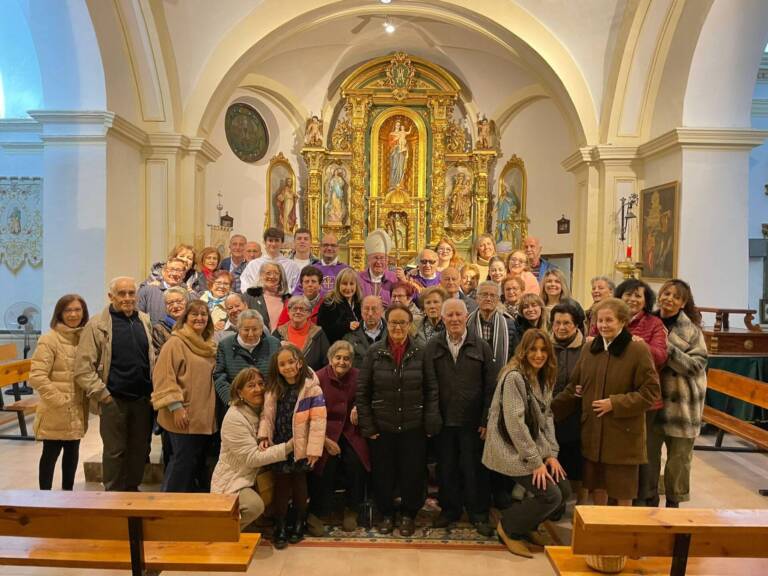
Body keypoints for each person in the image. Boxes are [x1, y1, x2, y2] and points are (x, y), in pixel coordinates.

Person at [552, 298, 660, 507]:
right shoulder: (590, 349)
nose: (603, 325)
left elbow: (650, 392)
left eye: (609, 320)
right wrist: (547, 410)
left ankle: (620, 535)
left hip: (623, 434)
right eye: (600, 320)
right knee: (597, 486)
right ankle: (599, 528)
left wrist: (615, 403)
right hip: (593, 433)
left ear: (622, 321)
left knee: (623, 489)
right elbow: (574, 386)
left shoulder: (637, 350)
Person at [483, 329, 571, 558]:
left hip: (533, 444)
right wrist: (535, 462)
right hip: (509, 448)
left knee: (563, 489)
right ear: (523, 350)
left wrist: (551, 453)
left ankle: (528, 526)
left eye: (543, 350)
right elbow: (515, 424)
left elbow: (547, 416)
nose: (538, 355)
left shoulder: (544, 375)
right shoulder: (514, 376)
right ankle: (509, 528)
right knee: (550, 495)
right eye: (533, 349)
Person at [356, 304, 441, 537]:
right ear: (387, 323)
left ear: (409, 325)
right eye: (393, 322)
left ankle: (408, 514)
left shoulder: (422, 351)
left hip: (414, 425)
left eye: (402, 322)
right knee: (383, 473)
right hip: (382, 426)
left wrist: (429, 422)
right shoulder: (374, 352)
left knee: (412, 472)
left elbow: (432, 389)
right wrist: (368, 426)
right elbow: (363, 392)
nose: (397, 327)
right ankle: (386, 513)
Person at [74, 277, 155, 492]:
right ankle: (113, 495)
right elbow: (83, 368)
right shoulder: (97, 324)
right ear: (111, 297)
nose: (127, 298)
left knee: (139, 449)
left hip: (142, 399)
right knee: (115, 451)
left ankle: (132, 491)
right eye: (122, 294)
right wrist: (104, 396)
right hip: (114, 399)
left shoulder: (144, 320)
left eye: (131, 293)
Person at [426, 299, 496, 536]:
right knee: (447, 468)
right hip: (444, 421)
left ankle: (478, 513)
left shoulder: (481, 346)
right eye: (450, 315)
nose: (454, 319)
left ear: (467, 317)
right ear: (443, 318)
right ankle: (450, 510)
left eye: (459, 315)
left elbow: (490, 387)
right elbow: (430, 384)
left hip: (473, 422)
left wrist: (486, 419)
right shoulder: (433, 346)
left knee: (474, 468)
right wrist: (432, 415)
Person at [258, 345, 327, 549]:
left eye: (291, 362)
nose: (287, 367)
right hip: (280, 443)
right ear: (277, 367)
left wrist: (314, 448)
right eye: (282, 364)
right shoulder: (273, 388)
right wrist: (264, 435)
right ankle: (280, 524)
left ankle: (298, 522)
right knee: (281, 484)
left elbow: (318, 420)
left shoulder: (311, 387)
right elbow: (267, 415)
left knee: (299, 483)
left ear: (299, 362)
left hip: (302, 445)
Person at [211, 367, 294, 529]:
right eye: (251, 385)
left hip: (254, 476)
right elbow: (252, 458)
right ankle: (221, 531)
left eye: (261, 384)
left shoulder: (262, 410)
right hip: (234, 480)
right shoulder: (235, 417)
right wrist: (288, 447)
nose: (258, 389)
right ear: (239, 392)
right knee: (254, 506)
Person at [649, 279, 707, 508]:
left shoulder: (692, 331)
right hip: (653, 402)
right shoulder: (649, 322)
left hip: (682, 407)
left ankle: (674, 504)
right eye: (666, 293)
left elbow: (695, 366)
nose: (669, 299)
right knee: (649, 458)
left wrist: (666, 346)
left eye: (676, 297)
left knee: (679, 461)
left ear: (683, 303)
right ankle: (649, 499)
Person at [152, 300, 217, 492]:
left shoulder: (209, 345)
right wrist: (176, 407)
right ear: (185, 318)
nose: (199, 318)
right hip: (183, 415)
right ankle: (167, 509)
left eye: (203, 314)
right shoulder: (175, 343)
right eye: (194, 314)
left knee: (194, 466)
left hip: (203, 417)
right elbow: (163, 377)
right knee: (181, 464)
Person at [613, 278, 668, 506]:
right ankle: (618, 495)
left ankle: (644, 499)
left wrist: (638, 345)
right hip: (615, 395)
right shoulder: (612, 317)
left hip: (645, 400)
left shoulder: (654, 323)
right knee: (618, 450)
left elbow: (661, 356)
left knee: (642, 452)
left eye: (638, 295)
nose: (632, 299)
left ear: (646, 301)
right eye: (628, 294)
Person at [308, 341, 370, 534]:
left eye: (346, 358)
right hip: (324, 431)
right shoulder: (317, 378)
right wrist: (324, 440)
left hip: (350, 430)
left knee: (356, 461)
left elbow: (367, 396)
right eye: (338, 357)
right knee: (325, 462)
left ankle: (352, 509)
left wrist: (358, 406)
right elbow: (309, 412)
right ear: (330, 359)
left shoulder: (358, 376)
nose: (342, 362)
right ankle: (317, 511)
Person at [30, 294, 90, 490]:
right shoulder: (49, 339)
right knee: (50, 454)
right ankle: (44, 497)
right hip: (56, 410)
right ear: (60, 313)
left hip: (77, 409)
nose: (73, 314)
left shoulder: (84, 338)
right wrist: (61, 400)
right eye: (68, 310)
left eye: (77, 310)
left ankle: (68, 495)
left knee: (72, 452)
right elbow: (37, 376)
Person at [550, 302, 587, 505]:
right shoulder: (544, 346)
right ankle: (556, 503)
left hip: (576, 417)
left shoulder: (587, 348)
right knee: (554, 461)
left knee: (576, 466)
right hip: (549, 416)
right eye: (557, 323)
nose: (561, 327)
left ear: (576, 326)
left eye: (567, 323)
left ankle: (579, 506)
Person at [214, 309, 281, 406]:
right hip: (237, 405)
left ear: (261, 329)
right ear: (238, 328)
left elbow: (280, 375)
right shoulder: (225, 345)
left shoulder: (274, 344)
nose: (250, 334)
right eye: (246, 329)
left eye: (255, 329)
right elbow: (219, 376)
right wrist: (231, 400)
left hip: (269, 404)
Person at [467, 281, 519, 375]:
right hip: (472, 378)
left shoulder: (509, 324)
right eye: (484, 295)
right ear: (477, 298)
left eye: (492, 295)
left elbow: (515, 355)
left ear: (498, 299)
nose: (488, 298)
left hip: (501, 377)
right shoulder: (466, 323)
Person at [273, 295, 330, 371]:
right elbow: (271, 359)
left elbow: (326, 363)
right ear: (288, 312)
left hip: (311, 379)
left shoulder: (318, 333)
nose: (298, 312)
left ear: (309, 313)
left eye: (302, 309)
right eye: (294, 309)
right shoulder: (278, 333)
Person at [240, 227, 301, 293]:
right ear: (264, 242)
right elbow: (245, 286)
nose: (273, 244)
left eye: (277, 240)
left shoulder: (292, 266)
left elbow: (296, 289)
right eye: (270, 240)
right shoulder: (253, 264)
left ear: (282, 243)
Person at [317, 267, 363, 344]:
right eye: (344, 284)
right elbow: (323, 329)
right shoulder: (329, 303)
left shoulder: (360, 302)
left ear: (356, 285)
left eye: (351, 284)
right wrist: (347, 326)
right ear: (338, 285)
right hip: (335, 347)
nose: (348, 288)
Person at [243, 262, 291, 333]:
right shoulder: (250, 296)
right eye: (268, 273)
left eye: (276, 273)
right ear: (261, 275)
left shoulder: (288, 299)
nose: (272, 276)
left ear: (281, 276)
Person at [137, 258, 187, 324]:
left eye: (178, 270)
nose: (174, 273)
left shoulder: (190, 296)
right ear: (163, 272)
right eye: (171, 270)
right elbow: (138, 318)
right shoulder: (147, 291)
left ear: (184, 275)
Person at [343, 295, 387, 369]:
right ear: (361, 310)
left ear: (382, 310)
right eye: (366, 309)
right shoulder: (349, 336)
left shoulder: (394, 333)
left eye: (374, 309)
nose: (370, 313)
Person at [358, 229, 398, 305]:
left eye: (382, 258)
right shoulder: (359, 278)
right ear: (369, 259)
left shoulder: (393, 278)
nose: (378, 262)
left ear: (387, 260)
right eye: (375, 258)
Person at [152, 286, 189, 355]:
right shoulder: (159, 329)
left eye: (179, 301)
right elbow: (160, 356)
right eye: (170, 303)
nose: (175, 306)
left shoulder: (193, 325)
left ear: (187, 302)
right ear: (165, 307)